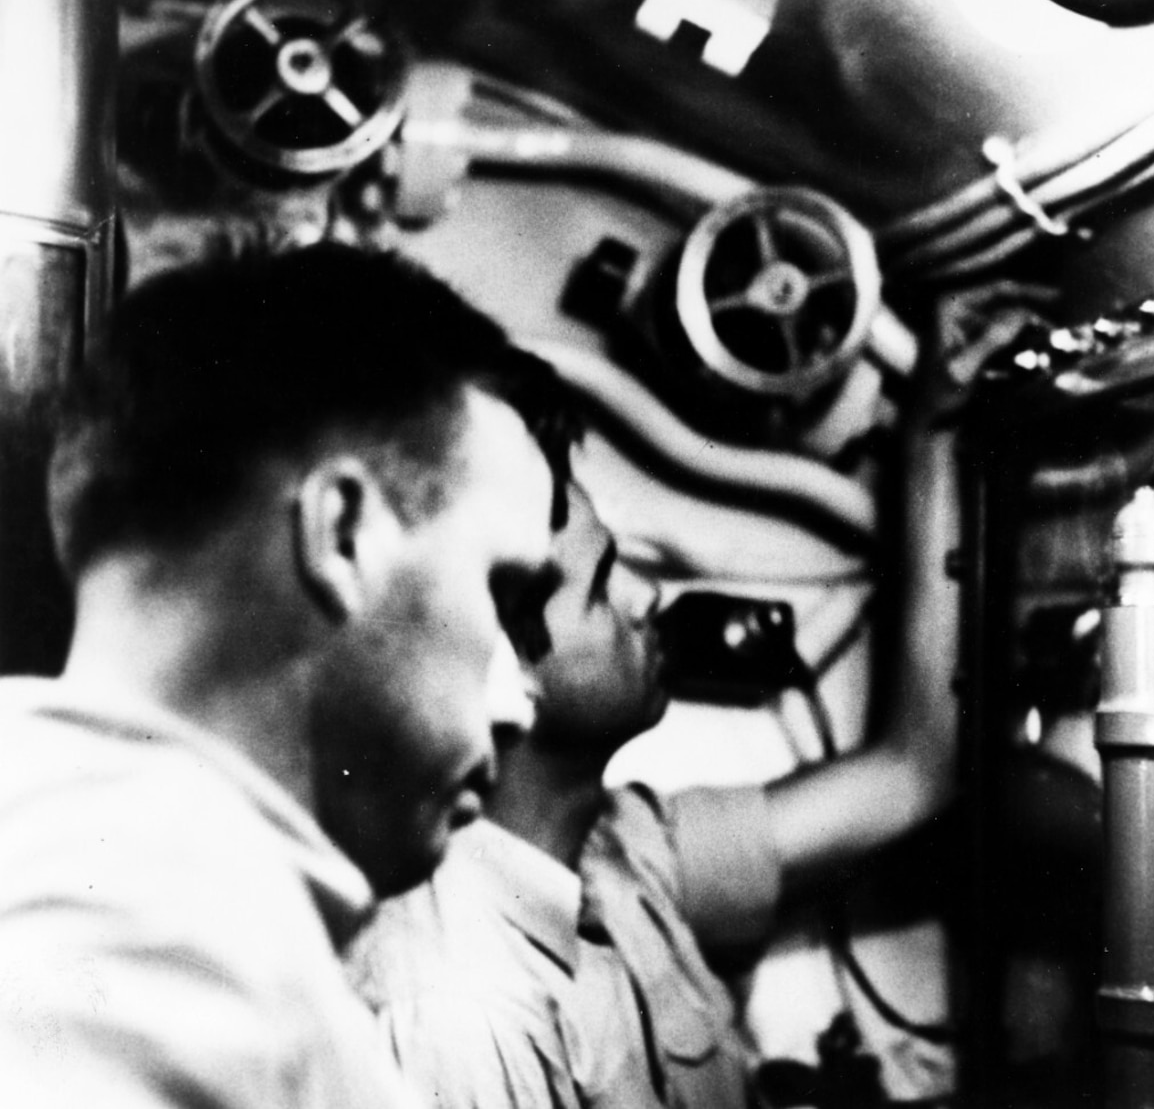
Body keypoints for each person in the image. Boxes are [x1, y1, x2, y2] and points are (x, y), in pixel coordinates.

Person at [0, 243, 573, 1107]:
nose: (519, 702)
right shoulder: (165, 920)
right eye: (504, 593)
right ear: (344, 535)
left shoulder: (84, 839)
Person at [347, 314, 970, 1109]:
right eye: (604, 584)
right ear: (506, 669)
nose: (647, 599)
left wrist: (937, 437)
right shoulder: (459, 1016)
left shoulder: (624, 850)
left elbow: (913, 773)